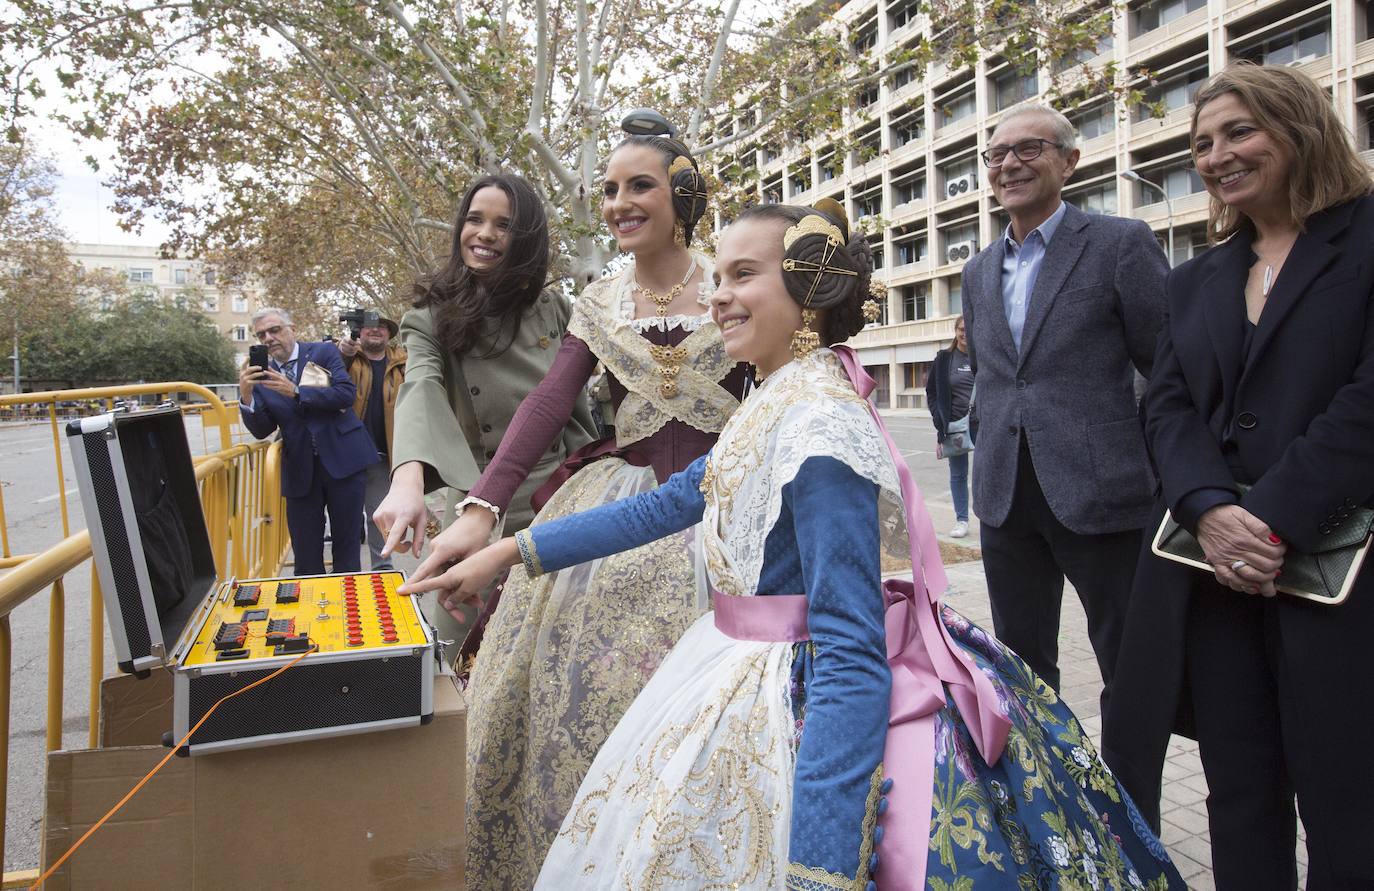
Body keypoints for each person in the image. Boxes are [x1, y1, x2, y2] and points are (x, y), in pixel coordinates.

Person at [408, 202, 1182, 890]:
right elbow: (675, 503)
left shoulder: (818, 426)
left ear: (808, 290)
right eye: (719, 275)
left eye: (744, 274)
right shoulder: (777, 394)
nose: (717, 294)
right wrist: (508, 554)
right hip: (737, 666)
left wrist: (821, 860)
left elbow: (850, 645)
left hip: (797, 703)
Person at [400, 130, 749, 887]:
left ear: (683, 193)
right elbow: (548, 401)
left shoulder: (735, 280)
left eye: (640, 187)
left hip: (731, 517)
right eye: (611, 191)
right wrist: (481, 507)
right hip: (616, 513)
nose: (621, 204)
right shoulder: (599, 301)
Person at [1103, 63, 1374, 889]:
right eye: (1202, 143)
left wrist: (1275, 517)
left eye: (1238, 132)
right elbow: (1169, 409)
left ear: (1298, 128)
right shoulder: (1197, 278)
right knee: (1239, 790)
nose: (1217, 155)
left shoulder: (1366, 237)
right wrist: (1212, 510)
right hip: (1215, 578)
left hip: (1342, 577)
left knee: (1348, 797)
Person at [962, 101, 1168, 704]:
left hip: (1103, 492)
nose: (1009, 165)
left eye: (1030, 149)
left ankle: (1131, 796)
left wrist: (1155, 470)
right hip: (1004, 497)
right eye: (997, 154)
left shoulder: (1119, 243)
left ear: (1070, 162)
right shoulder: (977, 270)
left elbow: (1167, 369)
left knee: (1130, 662)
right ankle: (1047, 793)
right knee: (1020, 669)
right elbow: (994, 377)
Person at [371, 173, 596, 648]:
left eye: (504, 224)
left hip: (559, 498)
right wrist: (406, 481)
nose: (485, 234)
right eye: (474, 219)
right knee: (468, 637)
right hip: (476, 503)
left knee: (562, 642)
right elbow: (422, 386)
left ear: (528, 237)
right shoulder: (430, 315)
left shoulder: (554, 307)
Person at [238, 307, 377, 575]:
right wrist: (247, 396)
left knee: (347, 547)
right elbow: (262, 428)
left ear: (292, 330)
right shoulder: (260, 375)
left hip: (344, 461)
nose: (268, 338)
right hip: (300, 470)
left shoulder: (322, 353)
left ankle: (346, 609)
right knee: (305, 553)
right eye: (261, 335)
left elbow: (345, 395)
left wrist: (297, 391)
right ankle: (310, 611)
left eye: (274, 330)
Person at [337, 311, 406, 572]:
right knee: (346, 520)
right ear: (359, 332)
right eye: (368, 327)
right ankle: (346, 575)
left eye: (381, 327)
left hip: (384, 454)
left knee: (379, 518)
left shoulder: (403, 363)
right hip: (348, 455)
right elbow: (326, 381)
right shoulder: (346, 358)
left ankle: (383, 572)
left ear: (389, 334)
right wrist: (343, 354)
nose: (374, 331)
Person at [925, 315, 976, 538]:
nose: (965, 333)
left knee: (990, 473)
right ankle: (961, 520)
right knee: (958, 475)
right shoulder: (944, 359)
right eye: (961, 329)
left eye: (969, 329)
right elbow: (932, 392)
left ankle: (993, 520)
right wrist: (939, 419)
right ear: (955, 331)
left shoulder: (983, 356)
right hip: (954, 424)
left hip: (982, 424)